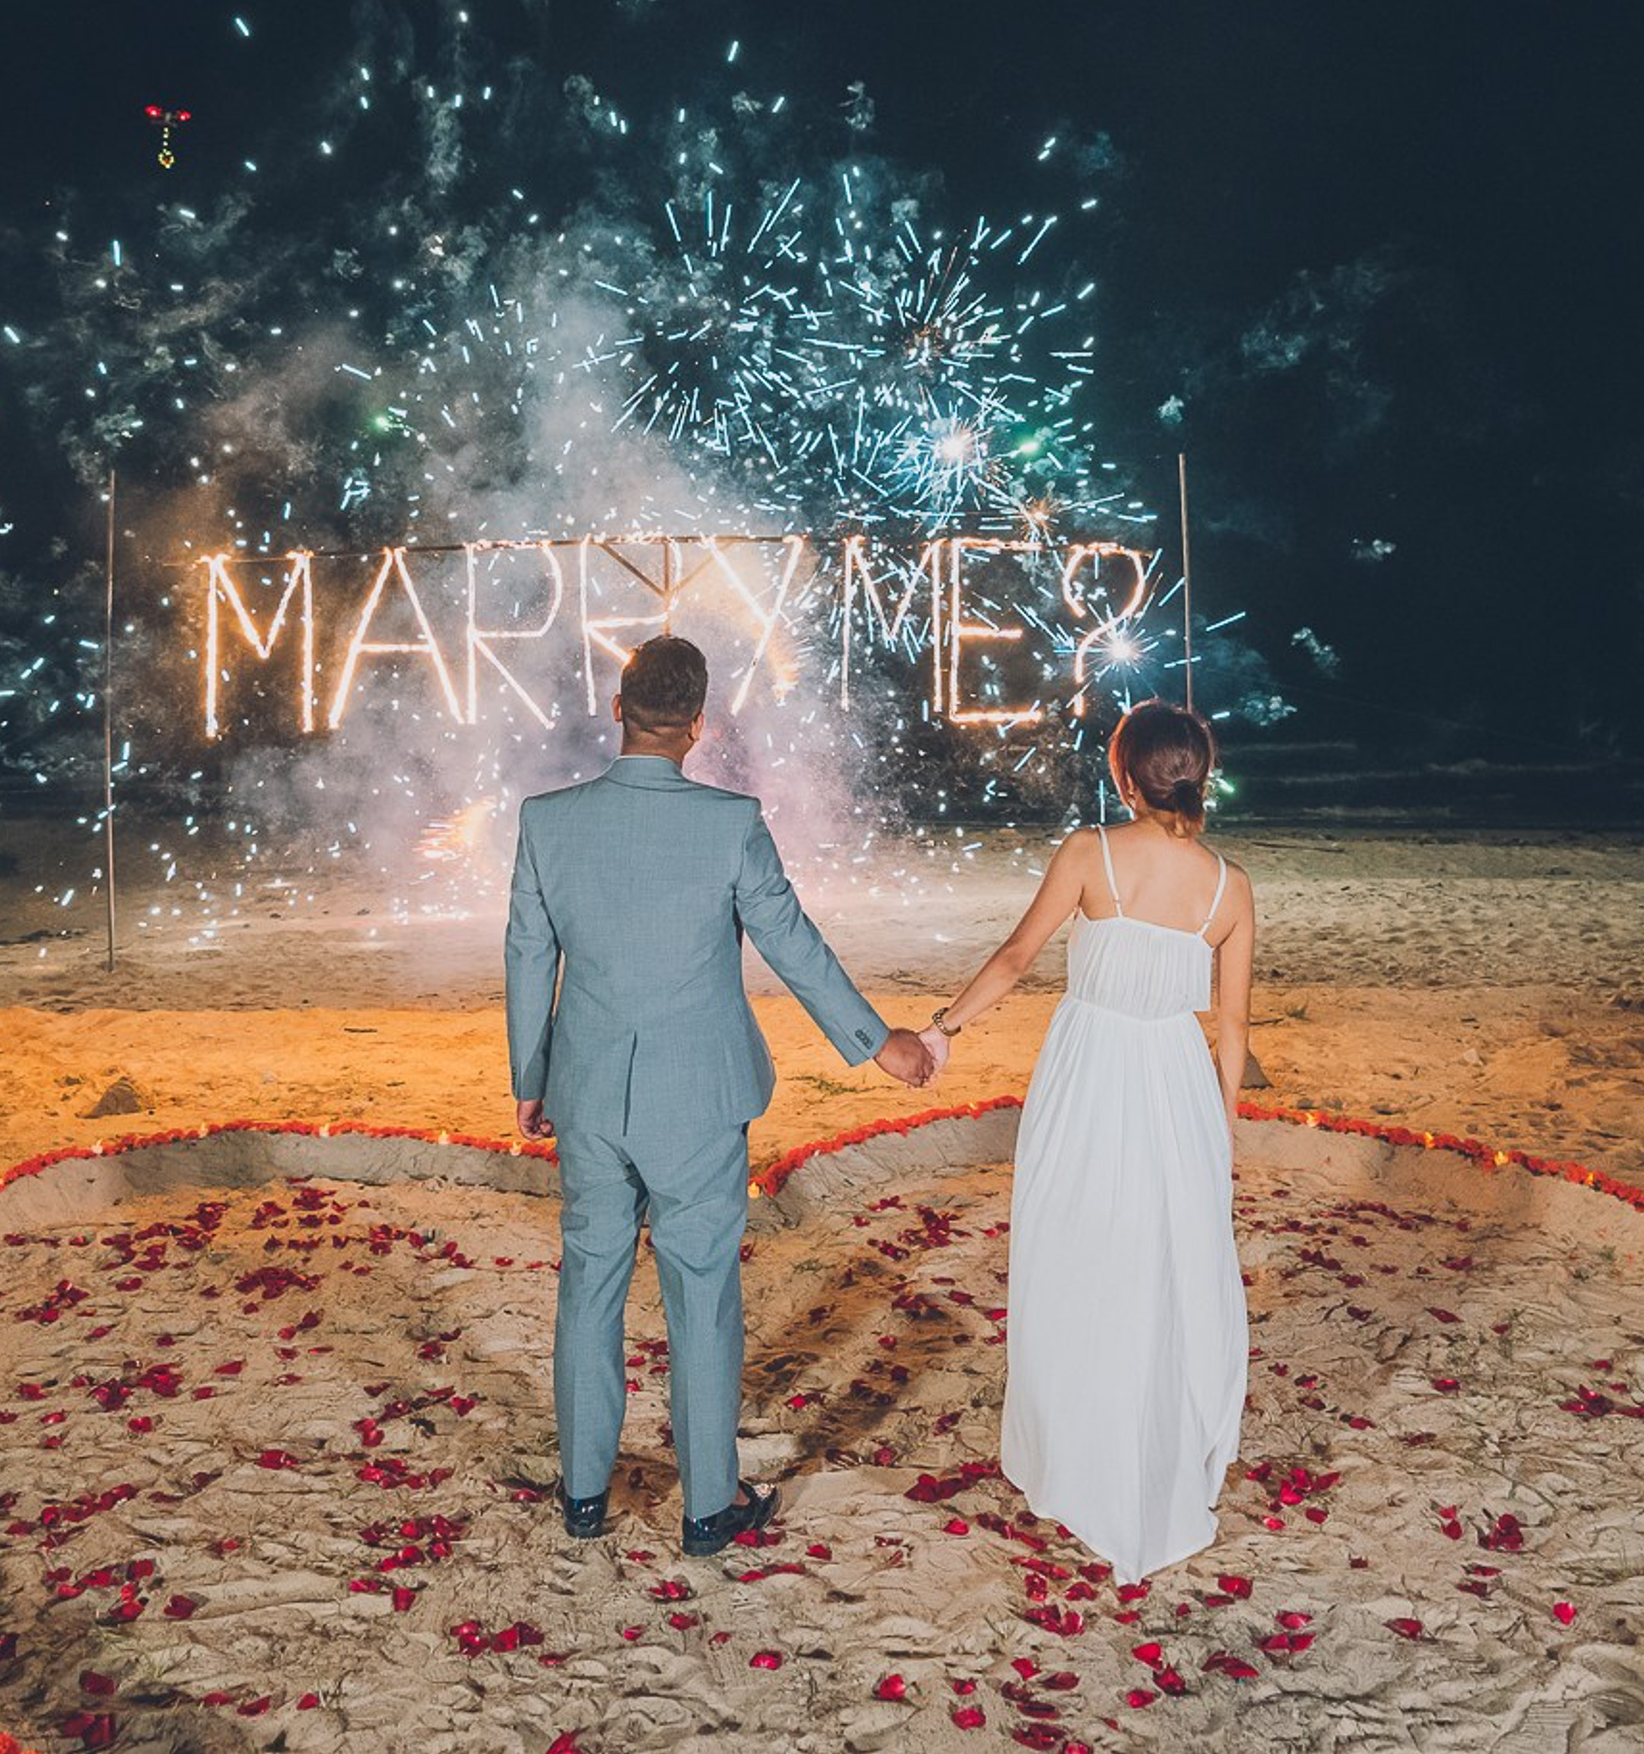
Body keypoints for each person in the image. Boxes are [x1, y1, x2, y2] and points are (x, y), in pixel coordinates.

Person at [504, 633, 938, 1555]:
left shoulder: (546, 820)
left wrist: (530, 1078)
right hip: (698, 1096)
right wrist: (878, 1043)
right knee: (701, 1297)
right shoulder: (730, 823)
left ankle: (583, 1497)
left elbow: (527, 958)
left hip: (584, 1090)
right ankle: (708, 1508)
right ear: (697, 726)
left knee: (589, 1285)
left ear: (618, 710)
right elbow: (794, 945)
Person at [921, 700, 1253, 1583]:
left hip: (1090, 1070)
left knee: (1076, 1253)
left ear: (1124, 775)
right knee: (1162, 1264)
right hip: (1175, 1080)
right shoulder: (1230, 886)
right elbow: (1231, 1028)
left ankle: (1078, 1454)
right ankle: (1143, 1449)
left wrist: (944, 1026)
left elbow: (1016, 957)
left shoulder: (1090, 853)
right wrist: (1216, 1134)